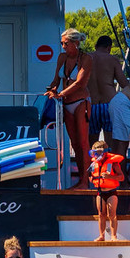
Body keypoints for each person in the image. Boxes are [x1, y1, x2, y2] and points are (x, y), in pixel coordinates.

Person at [47, 31, 93, 188]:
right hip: (66, 103)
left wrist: (60, 94)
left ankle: (85, 181)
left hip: (81, 102)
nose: (63, 46)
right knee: (74, 143)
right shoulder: (62, 58)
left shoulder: (86, 59)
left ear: (76, 43)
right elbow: (56, 79)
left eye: (66, 43)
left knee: (83, 142)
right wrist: (52, 90)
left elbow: (80, 83)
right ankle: (81, 179)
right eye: (62, 43)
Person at [86, 34, 130, 157]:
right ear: (109, 47)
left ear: (96, 46)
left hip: (92, 105)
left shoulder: (86, 58)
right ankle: (110, 171)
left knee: (93, 145)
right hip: (110, 104)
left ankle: (94, 171)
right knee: (111, 145)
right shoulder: (112, 59)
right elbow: (123, 83)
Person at [89, 135, 126, 242]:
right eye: (94, 153)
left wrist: (110, 177)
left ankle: (114, 236)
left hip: (111, 192)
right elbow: (91, 176)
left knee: (112, 214)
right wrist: (93, 179)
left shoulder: (113, 163)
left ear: (104, 152)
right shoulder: (94, 164)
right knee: (101, 214)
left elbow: (121, 177)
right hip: (100, 192)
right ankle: (102, 235)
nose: (96, 155)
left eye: (98, 153)